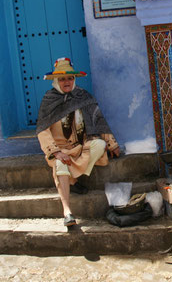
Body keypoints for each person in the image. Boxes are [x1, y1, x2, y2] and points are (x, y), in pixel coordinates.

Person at [36, 58, 120, 227]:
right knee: (60, 164)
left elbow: (98, 120)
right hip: (62, 150)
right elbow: (43, 130)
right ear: (56, 81)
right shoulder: (49, 100)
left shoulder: (83, 96)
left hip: (82, 147)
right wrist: (55, 151)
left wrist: (112, 144)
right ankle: (67, 211)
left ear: (74, 79)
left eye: (70, 78)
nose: (66, 82)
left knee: (99, 146)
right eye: (62, 79)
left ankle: (72, 180)